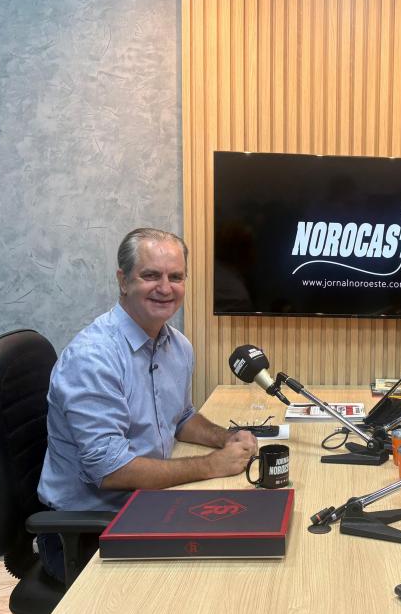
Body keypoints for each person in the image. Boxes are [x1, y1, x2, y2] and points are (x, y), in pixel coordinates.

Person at [36, 227, 257, 580]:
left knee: (249, 539)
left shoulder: (178, 346)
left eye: (176, 277)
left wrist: (225, 438)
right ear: (123, 281)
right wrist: (211, 465)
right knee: (219, 575)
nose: (165, 288)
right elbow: (110, 470)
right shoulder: (94, 358)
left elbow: (181, 417)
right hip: (89, 531)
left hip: (148, 505)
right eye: (151, 275)